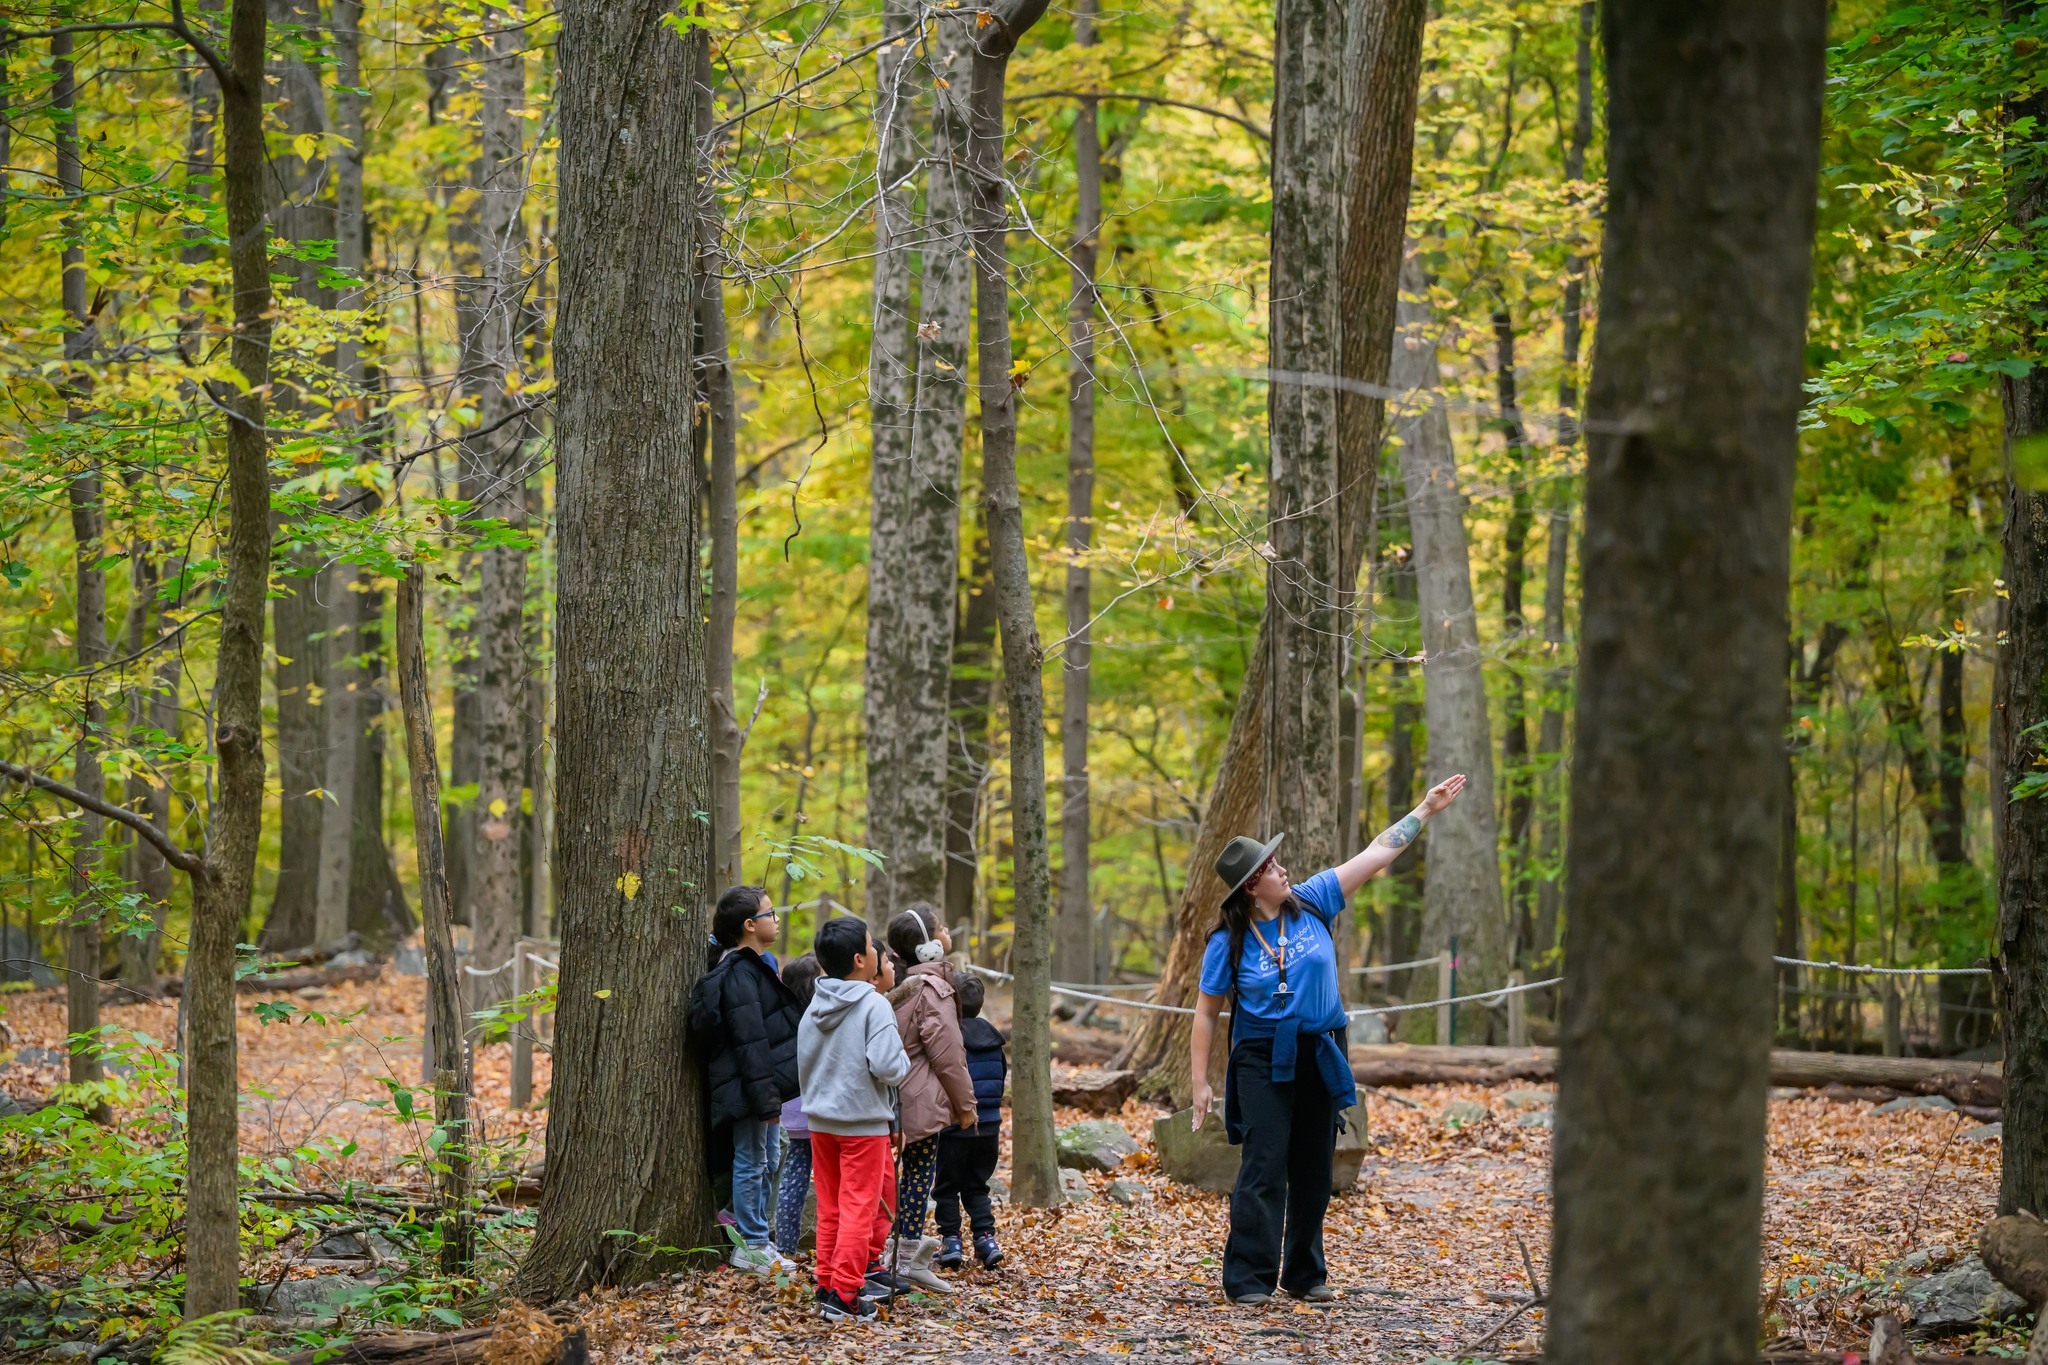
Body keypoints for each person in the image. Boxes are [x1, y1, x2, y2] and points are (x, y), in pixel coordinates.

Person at [1189, 774, 1468, 1306]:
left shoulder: (1313, 899)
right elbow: (1205, 1014)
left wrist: (1425, 810)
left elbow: (1376, 852)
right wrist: (1200, 1083)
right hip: (1262, 1056)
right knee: (1264, 1164)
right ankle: (1248, 1279)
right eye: (1271, 868)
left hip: (1321, 1048)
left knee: (1315, 1167)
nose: (1283, 869)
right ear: (1251, 887)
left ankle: (1303, 1274)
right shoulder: (1228, 942)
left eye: (1277, 862)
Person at [799, 916, 911, 1322]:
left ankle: (827, 1282)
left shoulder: (814, 1005)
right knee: (859, 1208)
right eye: (869, 943)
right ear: (861, 959)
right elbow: (889, 1066)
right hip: (861, 1123)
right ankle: (845, 1292)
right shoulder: (873, 1004)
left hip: (821, 1121)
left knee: (831, 1207)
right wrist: (903, 1061)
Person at [688, 884, 803, 1276]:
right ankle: (751, 1245)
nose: (777, 919)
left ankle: (756, 1237)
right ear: (750, 925)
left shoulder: (752, 967)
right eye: (770, 913)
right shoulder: (739, 974)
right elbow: (750, 1043)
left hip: (755, 1087)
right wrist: (766, 1100)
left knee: (766, 1158)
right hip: (748, 1089)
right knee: (752, 1160)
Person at [878, 903, 979, 1293]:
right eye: (941, 927)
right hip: (919, 1099)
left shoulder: (900, 986)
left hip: (896, 1097)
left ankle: (896, 1254)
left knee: (904, 1179)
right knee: (918, 1178)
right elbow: (948, 1053)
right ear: (927, 947)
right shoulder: (931, 990)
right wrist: (966, 1106)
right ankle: (906, 1261)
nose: (948, 930)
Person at [932, 971, 1007, 1271]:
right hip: (988, 1126)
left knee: (946, 1186)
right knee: (977, 1185)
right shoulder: (994, 1038)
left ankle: (951, 1241)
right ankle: (986, 1240)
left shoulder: (948, 1037)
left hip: (954, 1127)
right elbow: (1000, 1077)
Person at [774, 953, 824, 1258]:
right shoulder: (821, 1017)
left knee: (794, 1177)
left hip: (792, 1112)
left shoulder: (782, 1017)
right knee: (832, 1179)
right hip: (822, 1112)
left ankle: (785, 1245)